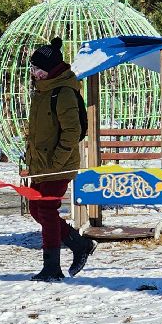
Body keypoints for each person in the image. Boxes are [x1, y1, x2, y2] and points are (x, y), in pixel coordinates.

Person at [22, 37, 97, 282]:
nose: (34, 74)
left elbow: (72, 132)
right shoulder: (42, 91)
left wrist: (57, 160)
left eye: (38, 69)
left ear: (51, 69)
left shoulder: (63, 92)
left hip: (58, 165)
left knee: (46, 209)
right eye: (32, 69)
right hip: (41, 164)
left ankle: (52, 267)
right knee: (36, 208)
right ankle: (79, 244)